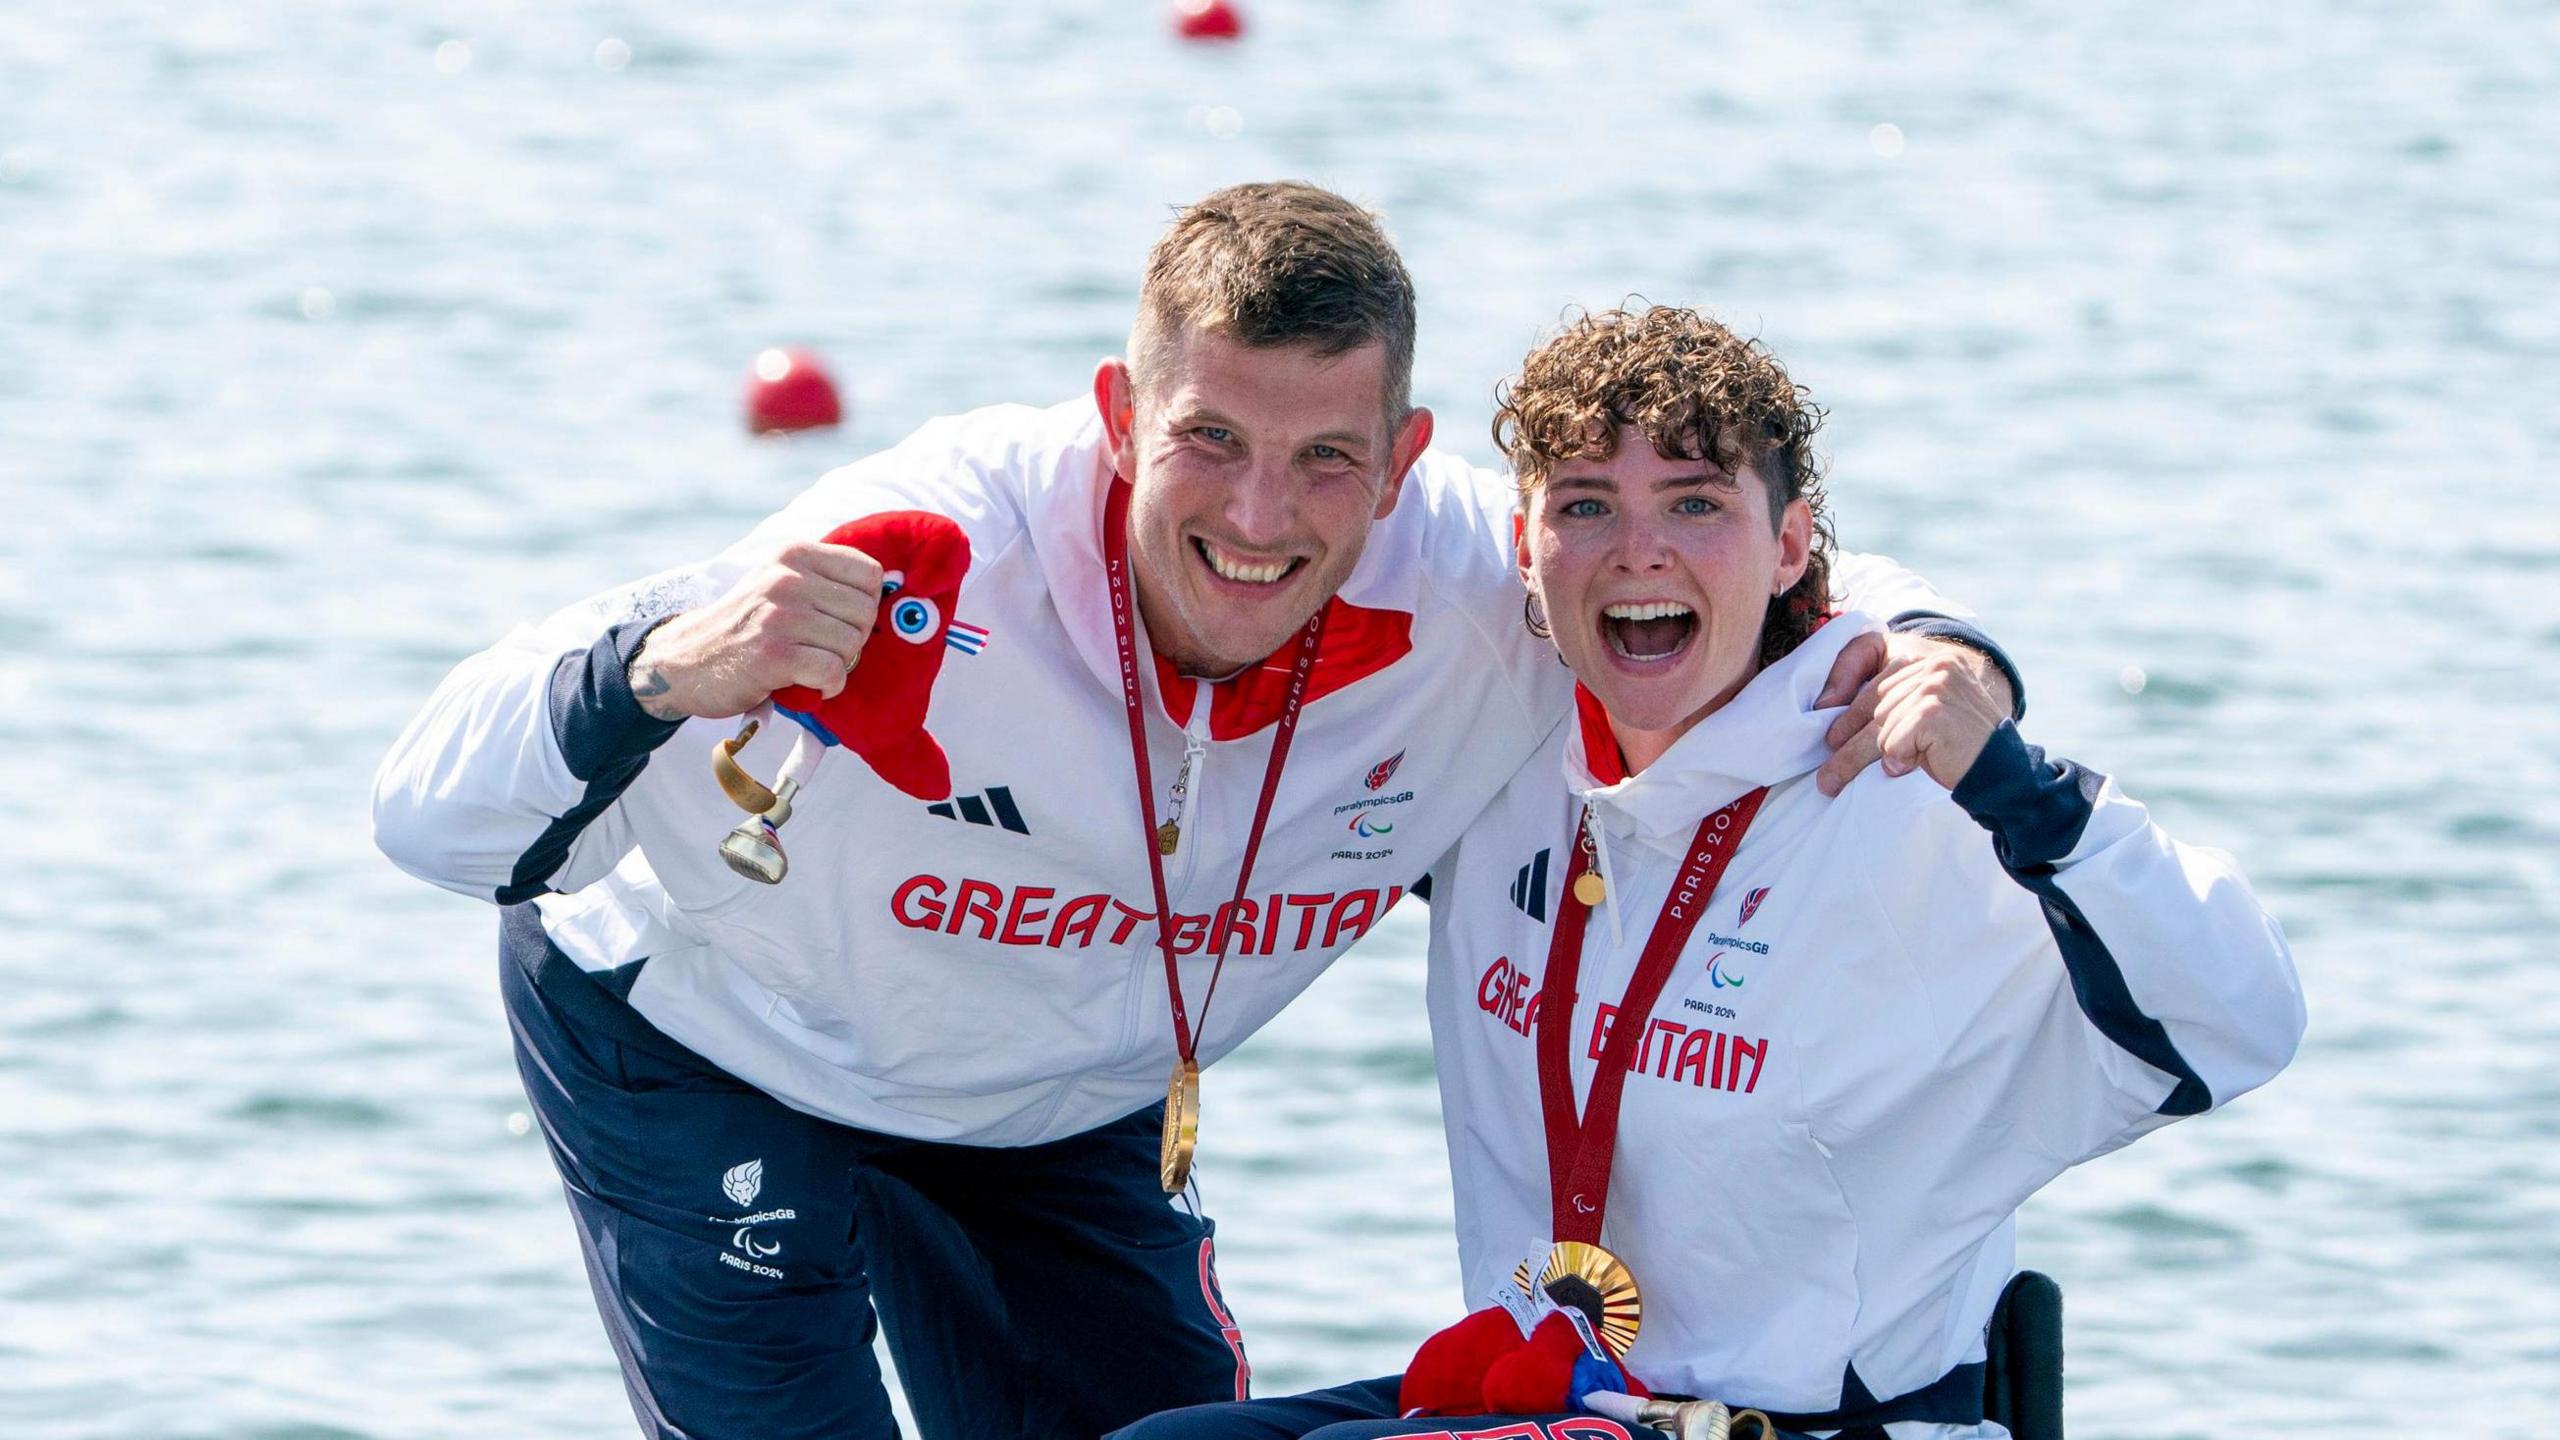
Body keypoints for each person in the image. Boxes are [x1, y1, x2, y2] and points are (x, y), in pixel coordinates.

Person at [371, 186, 2017, 1440]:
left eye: (1322, 462)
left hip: (1054, 1104)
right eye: (1209, 442)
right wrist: (667, 667)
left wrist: (1948, 656)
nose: (1257, 516)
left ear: (1404, 462)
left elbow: (1767, 572)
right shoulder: (929, 548)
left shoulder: (1472, 581)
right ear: (1115, 417)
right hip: (715, 1056)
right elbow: (432, 816)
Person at [1108, 307, 2303, 1440]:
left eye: (1693, 505)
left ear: (1789, 549)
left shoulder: (1896, 788)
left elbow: (2235, 1022)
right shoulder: (1498, 749)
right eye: (1585, 506)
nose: (1638, 551)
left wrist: (2018, 787)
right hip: (1547, 1397)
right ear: (1525, 549)